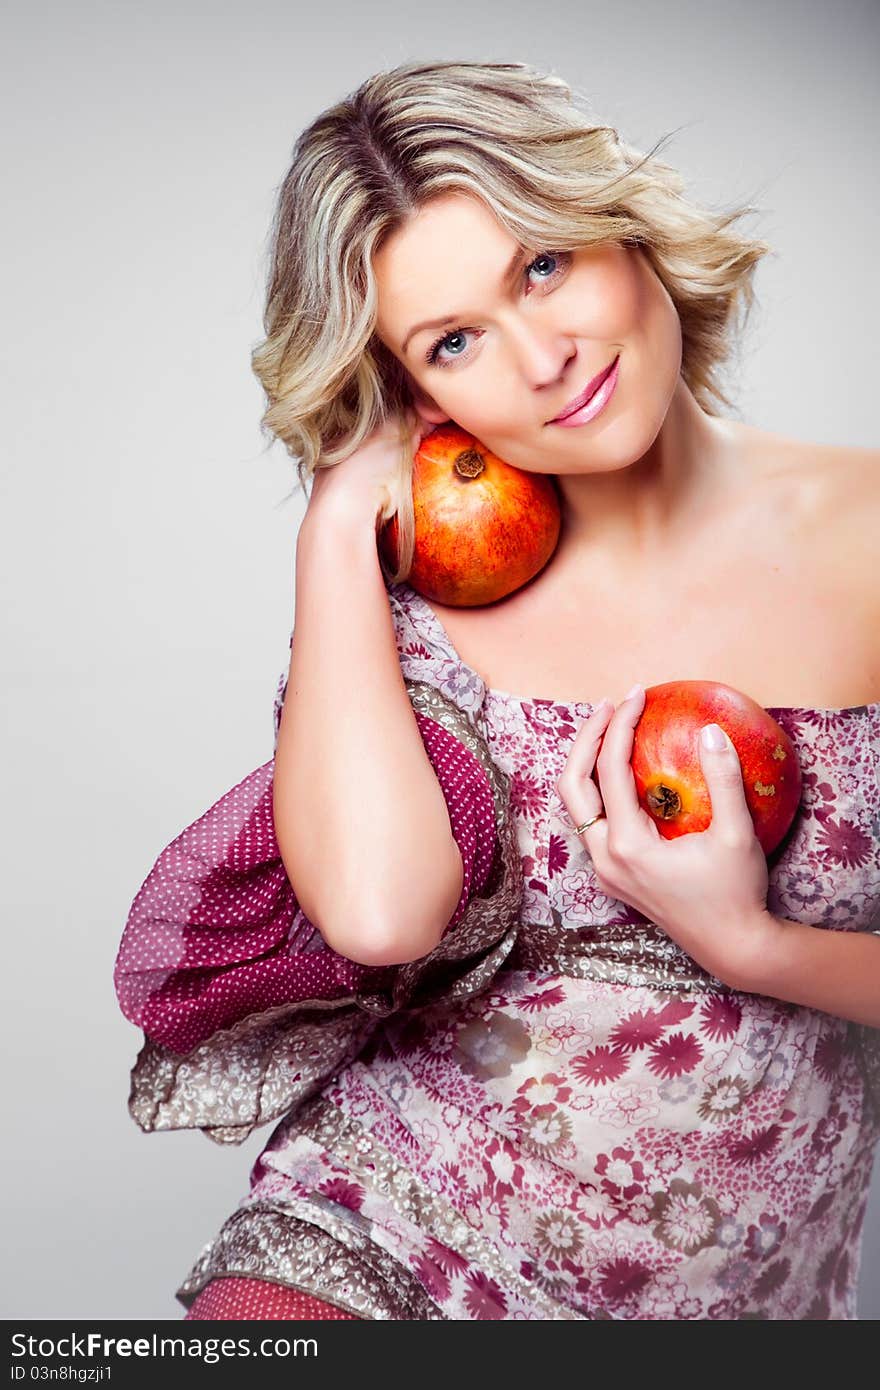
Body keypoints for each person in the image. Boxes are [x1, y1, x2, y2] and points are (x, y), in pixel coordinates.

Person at [114, 59, 880, 1321]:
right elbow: (377, 915)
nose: (542, 357)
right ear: (421, 393)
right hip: (386, 1239)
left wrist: (756, 946)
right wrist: (333, 525)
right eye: (453, 341)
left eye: (541, 265)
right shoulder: (409, 610)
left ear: (618, 226)